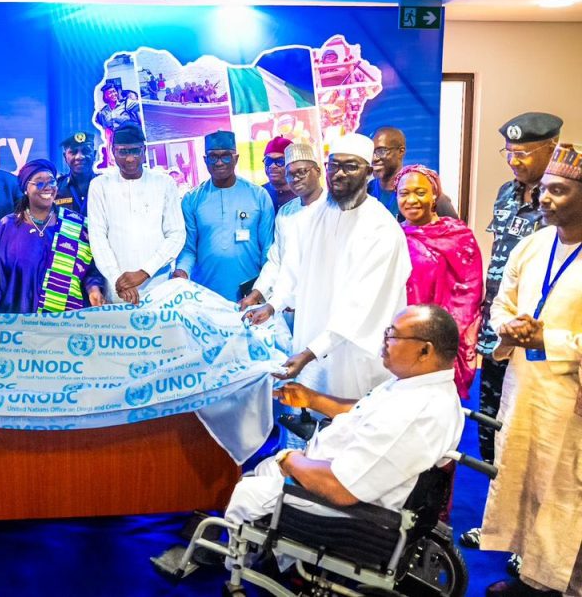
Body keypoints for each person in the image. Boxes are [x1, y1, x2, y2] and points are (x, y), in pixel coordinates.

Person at [225, 305, 464, 523]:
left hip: (340, 505)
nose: (384, 342)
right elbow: (365, 409)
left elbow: (340, 489)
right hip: (326, 468)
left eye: (392, 335)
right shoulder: (418, 385)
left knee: (248, 492)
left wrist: (289, 459)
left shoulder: (415, 415)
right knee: (259, 471)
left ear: (424, 350)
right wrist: (312, 399)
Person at [479, 141, 582, 597]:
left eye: (558, 190)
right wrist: (509, 326)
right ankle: (534, 576)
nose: (544, 198)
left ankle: (567, 585)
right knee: (526, 479)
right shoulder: (532, 244)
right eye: (544, 189)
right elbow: (501, 302)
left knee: (566, 491)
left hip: (570, 397)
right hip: (524, 387)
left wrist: (548, 340)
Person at [246, 133, 411, 400]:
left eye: (350, 166)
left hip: (355, 349)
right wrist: (273, 305)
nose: (339, 174)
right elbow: (292, 267)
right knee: (309, 410)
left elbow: (361, 305)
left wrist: (311, 352)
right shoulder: (317, 215)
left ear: (368, 173)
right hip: (312, 340)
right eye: (334, 165)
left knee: (350, 412)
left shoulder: (380, 228)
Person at [396, 164, 484, 398]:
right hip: (402, 334)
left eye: (420, 192)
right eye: (404, 193)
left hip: (440, 336)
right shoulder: (392, 236)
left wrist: (442, 337)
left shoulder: (458, 236)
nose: (411, 200)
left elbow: (469, 293)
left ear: (434, 194)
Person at [0, 159, 104, 314]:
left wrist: (93, 289)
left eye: (52, 181)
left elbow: (89, 268)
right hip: (17, 318)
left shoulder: (76, 225)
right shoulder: (7, 227)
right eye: (40, 182)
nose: (47, 187)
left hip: (63, 321)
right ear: (25, 189)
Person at [87, 124, 186, 305]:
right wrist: (117, 279)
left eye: (135, 151)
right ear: (113, 152)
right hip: (118, 289)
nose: (130, 158)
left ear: (144, 150)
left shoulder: (164, 183)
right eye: (123, 152)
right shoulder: (100, 185)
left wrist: (144, 272)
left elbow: (176, 234)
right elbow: (98, 238)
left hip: (158, 284)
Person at [173, 130, 274, 301]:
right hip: (205, 294)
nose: (219, 162)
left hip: (250, 293)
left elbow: (268, 250)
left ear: (236, 158)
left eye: (226, 156)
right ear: (205, 160)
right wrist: (182, 271)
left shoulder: (258, 196)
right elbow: (189, 248)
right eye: (213, 157)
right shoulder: (191, 199)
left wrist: (263, 290)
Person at [241, 143, 325, 310]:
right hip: (286, 304)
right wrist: (256, 294)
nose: (295, 178)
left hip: (323, 302)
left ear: (318, 171)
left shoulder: (334, 208)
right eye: (290, 174)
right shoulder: (286, 213)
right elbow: (276, 260)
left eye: (302, 171)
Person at [368, 126, 458, 220]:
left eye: (381, 151)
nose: (374, 158)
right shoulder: (366, 191)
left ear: (401, 152)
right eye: (371, 152)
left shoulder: (426, 194)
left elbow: (455, 228)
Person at [54, 131, 98, 216]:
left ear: (95, 154)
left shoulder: (106, 186)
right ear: (65, 157)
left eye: (86, 151)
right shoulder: (55, 188)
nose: (80, 157)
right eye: (73, 152)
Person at [261, 136, 296, 213]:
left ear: (292, 163)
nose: (272, 166)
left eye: (280, 161)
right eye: (268, 161)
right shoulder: (258, 194)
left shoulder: (302, 195)